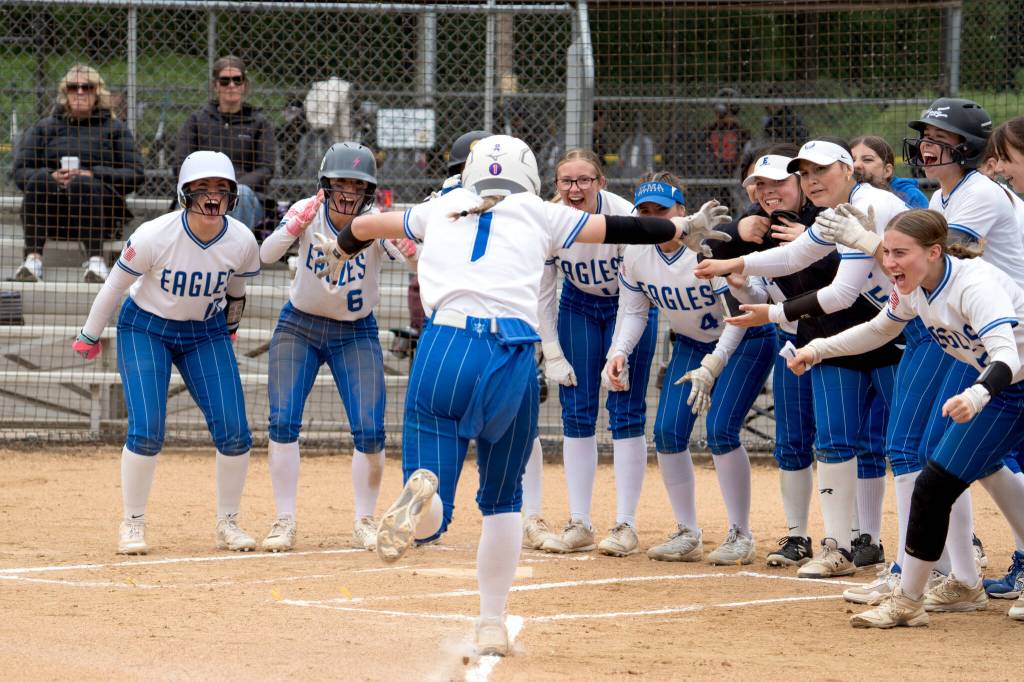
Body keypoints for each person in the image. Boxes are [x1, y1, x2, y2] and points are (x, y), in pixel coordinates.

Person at [311, 134, 731, 655]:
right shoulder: (541, 211)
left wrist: (340, 248)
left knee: (433, 488)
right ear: (530, 175)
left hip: (443, 345)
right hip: (510, 353)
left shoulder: (440, 206)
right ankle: (491, 621)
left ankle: (427, 498)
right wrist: (681, 226)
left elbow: (364, 224)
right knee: (504, 503)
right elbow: (619, 226)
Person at [786, 209, 1024, 627]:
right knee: (964, 471)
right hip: (1007, 385)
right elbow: (879, 329)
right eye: (887, 252)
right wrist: (818, 349)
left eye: (900, 253)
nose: (890, 262)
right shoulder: (915, 286)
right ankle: (935, 593)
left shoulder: (974, 285)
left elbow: (1006, 354)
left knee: (934, 482)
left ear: (934, 252)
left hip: (1006, 382)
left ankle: (909, 599)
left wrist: (976, 393)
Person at [696, 138, 908, 578]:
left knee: (909, 446)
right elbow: (794, 255)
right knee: (832, 441)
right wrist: (729, 264)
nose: (812, 181)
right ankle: (837, 548)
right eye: (806, 173)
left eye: (820, 172)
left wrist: (771, 313)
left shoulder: (874, 203)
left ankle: (927, 556)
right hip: (835, 338)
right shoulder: (831, 214)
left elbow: (842, 292)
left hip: (896, 334)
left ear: (848, 170)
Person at [70, 151, 261, 555]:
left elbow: (236, 292)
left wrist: (230, 330)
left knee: (235, 429)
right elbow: (114, 287)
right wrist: (90, 334)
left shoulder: (242, 239)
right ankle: (132, 523)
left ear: (233, 196)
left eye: (221, 191)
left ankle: (228, 522)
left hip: (206, 332)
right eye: (202, 190)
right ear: (184, 193)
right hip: (147, 328)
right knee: (148, 427)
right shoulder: (154, 235)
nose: (212, 198)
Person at [257, 142, 414, 553]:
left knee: (369, 427)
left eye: (357, 184)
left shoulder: (375, 222)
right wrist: (295, 224)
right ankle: (285, 518)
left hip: (355, 332)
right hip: (300, 327)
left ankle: (364, 518)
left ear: (369, 190)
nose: (348, 191)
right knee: (283, 419)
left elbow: (416, 263)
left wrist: (406, 240)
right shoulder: (306, 211)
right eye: (341, 181)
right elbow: (265, 253)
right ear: (325, 184)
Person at [603, 173, 759, 564]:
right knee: (667, 432)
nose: (655, 219)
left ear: (681, 212)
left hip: (744, 341)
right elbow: (634, 310)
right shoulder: (636, 253)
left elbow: (737, 318)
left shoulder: (707, 248)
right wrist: (618, 351)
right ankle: (687, 531)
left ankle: (741, 533)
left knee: (721, 430)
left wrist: (714, 365)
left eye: (663, 211)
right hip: (693, 344)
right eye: (646, 212)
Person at [713, 145, 837, 567]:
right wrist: (740, 281)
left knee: (848, 441)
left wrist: (812, 242)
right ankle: (797, 536)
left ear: (801, 181)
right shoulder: (758, 227)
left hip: (843, 340)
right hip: (792, 340)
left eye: (779, 182)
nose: (769, 192)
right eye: (760, 185)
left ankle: (856, 537)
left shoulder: (826, 218)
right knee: (791, 442)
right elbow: (759, 292)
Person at [535, 148, 658, 558]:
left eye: (584, 180)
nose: (574, 188)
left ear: (600, 183)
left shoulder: (623, 216)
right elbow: (544, 293)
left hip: (627, 307)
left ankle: (625, 523)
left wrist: (617, 352)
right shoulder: (549, 220)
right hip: (578, 306)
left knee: (625, 409)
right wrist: (552, 352)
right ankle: (579, 522)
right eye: (566, 181)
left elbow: (632, 297)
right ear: (556, 186)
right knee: (577, 410)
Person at [12, 63, 145, 283]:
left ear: (97, 92)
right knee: (41, 179)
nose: (80, 92)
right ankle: (32, 261)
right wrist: (52, 175)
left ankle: (96, 262)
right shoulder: (44, 128)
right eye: (74, 87)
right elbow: (19, 172)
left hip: (103, 216)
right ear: (65, 93)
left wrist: (93, 174)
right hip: (53, 219)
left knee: (82, 183)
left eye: (87, 87)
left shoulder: (115, 128)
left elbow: (136, 174)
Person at [175, 55, 275, 231]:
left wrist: (229, 187)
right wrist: (207, 186)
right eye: (225, 81)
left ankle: (232, 253)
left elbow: (266, 168)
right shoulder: (197, 120)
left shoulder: (259, 122)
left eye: (237, 80)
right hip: (201, 192)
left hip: (246, 196)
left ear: (245, 85)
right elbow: (181, 163)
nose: (231, 85)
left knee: (241, 195)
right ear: (215, 85)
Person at [850, 135, 929, 208]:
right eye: (852, 160)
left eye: (867, 159)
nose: (856, 165)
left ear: (887, 171)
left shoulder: (911, 196)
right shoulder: (844, 194)